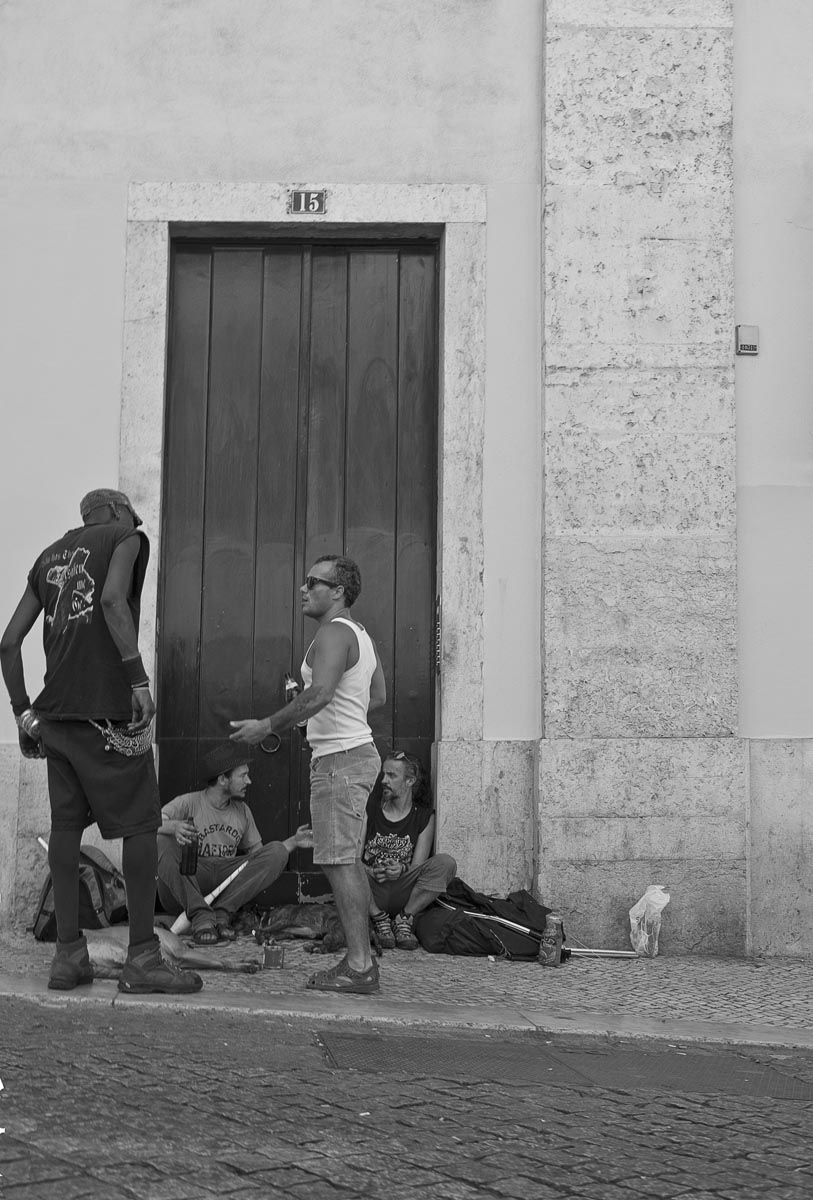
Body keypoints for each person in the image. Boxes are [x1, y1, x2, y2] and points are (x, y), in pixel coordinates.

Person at [0, 488, 201, 994]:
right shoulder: (124, 537)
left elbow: (8, 642)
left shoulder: (48, 557)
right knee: (141, 824)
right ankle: (143, 958)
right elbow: (112, 599)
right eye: (132, 515)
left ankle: (68, 957)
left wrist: (23, 713)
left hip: (56, 717)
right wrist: (138, 680)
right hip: (107, 713)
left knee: (66, 828)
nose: (136, 523)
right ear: (115, 512)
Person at [230, 554, 385, 994]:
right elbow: (376, 696)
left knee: (339, 862)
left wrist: (269, 725)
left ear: (338, 591)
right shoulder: (360, 634)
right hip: (353, 754)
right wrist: (329, 717)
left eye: (313, 581)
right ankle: (360, 961)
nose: (303, 588)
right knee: (345, 860)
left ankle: (359, 966)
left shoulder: (334, 632)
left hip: (340, 760)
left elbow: (320, 693)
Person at [157, 744, 313, 942]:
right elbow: (151, 823)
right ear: (223, 779)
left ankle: (221, 913)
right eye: (243, 775)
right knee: (161, 839)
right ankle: (201, 916)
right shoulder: (188, 802)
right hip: (191, 877)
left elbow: (259, 857)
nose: (249, 781)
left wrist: (294, 841)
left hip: (225, 880)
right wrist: (173, 827)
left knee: (277, 851)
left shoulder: (242, 811)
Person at [363, 751, 456, 950]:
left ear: (410, 781)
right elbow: (353, 857)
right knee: (342, 861)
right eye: (383, 774)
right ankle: (378, 918)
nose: (384, 781)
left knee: (446, 863)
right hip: (371, 889)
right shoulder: (369, 809)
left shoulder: (424, 817)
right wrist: (370, 870)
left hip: (404, 889)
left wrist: (401, 869)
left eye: (391, 775)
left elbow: (417, 866)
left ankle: (404, 919)